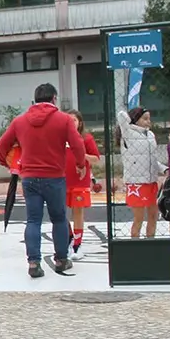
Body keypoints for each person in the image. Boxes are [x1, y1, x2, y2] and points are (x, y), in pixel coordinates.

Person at [0, 84, 85, 278]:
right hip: (54, 177)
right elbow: (77, 144)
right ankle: (61, 259)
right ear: (54, 98)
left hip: (29, 177)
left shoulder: (19, 121)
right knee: (59, 218)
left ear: (35, 99)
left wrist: (7, 162)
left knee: (33, 220)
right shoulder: (63, 120)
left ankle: (33, 262)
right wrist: (80, 163)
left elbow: (2, 144)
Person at [117, 107, 166, 239]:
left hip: (151, 180)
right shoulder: (128, 133)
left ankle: (150, 242)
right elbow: (121, 116)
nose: (148, 122)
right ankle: (135, 244)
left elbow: (153, 159)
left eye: (149, 119)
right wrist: (130, 113)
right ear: (136, 119)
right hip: (136, 182)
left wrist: (163, 169)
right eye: (145, 118)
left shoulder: (150, 135)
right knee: (138, 218)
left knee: (153, 215)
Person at [65, 110, 99, 260]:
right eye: (69, 120)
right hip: (61, 180)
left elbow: (96, 159)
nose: (72, 122)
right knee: (59, 212)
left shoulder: (86, 138)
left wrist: (81, 154)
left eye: (75, 120)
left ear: (80, 122)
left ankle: (77, 244)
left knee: (78, 212)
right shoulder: (60, 138)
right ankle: (69, 237)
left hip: (80, 181)